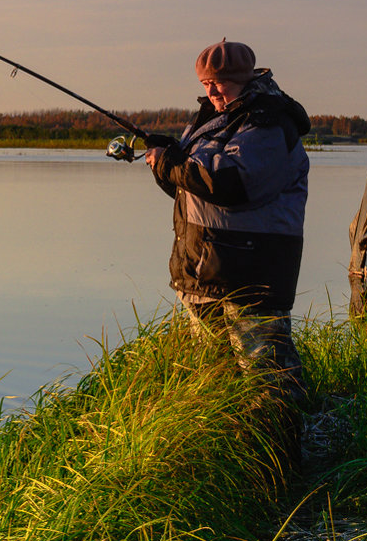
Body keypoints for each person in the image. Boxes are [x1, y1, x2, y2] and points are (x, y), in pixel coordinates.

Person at [117, 39, 310, 471]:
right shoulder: (213, 120)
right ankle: (229, 470)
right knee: (215, 380)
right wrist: (164, 158)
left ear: (246, 80)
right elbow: (189, 187)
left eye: (220, 84)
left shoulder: (268, 123)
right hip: (204, 270)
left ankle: (281, 472)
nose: (213, 92)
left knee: (268, 383)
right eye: (206, 84)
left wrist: (171, 162)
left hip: (252, 273)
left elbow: (231, 184)